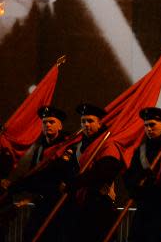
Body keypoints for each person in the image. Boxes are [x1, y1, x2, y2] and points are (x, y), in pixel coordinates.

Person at [8, 106, 73, 242]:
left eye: (51, 122)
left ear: (60, 126)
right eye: (44, 122)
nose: (47, 125)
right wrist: (14, 187)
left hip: (60, 205)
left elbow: (54, 174)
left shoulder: (66, 146)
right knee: (30, 235)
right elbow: (33, 174)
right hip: (43, 201)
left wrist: (18, 186)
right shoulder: (40, 148)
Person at [63, 103, 124, 242]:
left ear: (100, 122)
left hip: (99, 205)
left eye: (90, 121)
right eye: (83, 121)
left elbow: (105, 172)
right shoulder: (77, 146)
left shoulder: (107, 144)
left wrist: (75, 183)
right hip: (79, 204)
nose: (86, 124)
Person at [124, 107, 161, 242]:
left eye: (152, 124)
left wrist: (149, 187)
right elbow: (129, 176)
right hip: (144, 208)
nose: (148, 129)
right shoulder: (141, 150)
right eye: (146, 125)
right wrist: (135, 186)